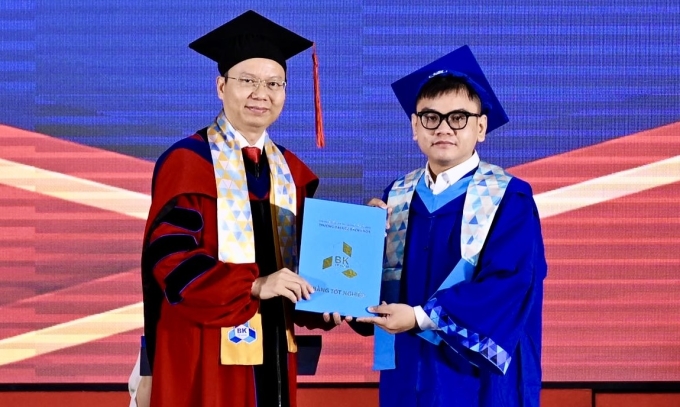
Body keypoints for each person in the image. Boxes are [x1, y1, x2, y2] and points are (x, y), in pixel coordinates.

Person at [134, 10, 340, 407]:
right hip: (204, 348)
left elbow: (300, 268)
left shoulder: (291, 172)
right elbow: (170, 260)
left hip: (274, 351)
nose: (261, 93)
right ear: (221, 86)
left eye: (274, 83)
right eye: (247, 81)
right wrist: (254, 285)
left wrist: (330, 300)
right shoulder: (188, 163)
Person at [356, 45, 547, 406]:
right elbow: (378, 286)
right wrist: (362, 252)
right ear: (415, 127)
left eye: (458, 117)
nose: (443, 128)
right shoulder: (397, 196)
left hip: (477, 377)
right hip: (408, 370)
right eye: (431, 117)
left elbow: (511, 282)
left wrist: (420, 317)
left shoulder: (509, 198)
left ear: (481, 127)